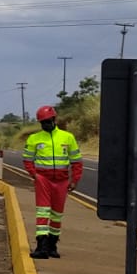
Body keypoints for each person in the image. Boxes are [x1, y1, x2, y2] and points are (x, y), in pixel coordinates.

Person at [23, 104, 83, 259]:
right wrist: (34, 175)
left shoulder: (67, 137)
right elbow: (27, 160)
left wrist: (74, 180)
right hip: (43, 179)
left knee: (57, 214)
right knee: (43, 212)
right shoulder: (34, 139)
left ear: (54, 119)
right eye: (43, 122)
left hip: (62, 181)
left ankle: (52, 246)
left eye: (48, 121)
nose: (46, 125)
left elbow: (76, 161)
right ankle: (41, 246)